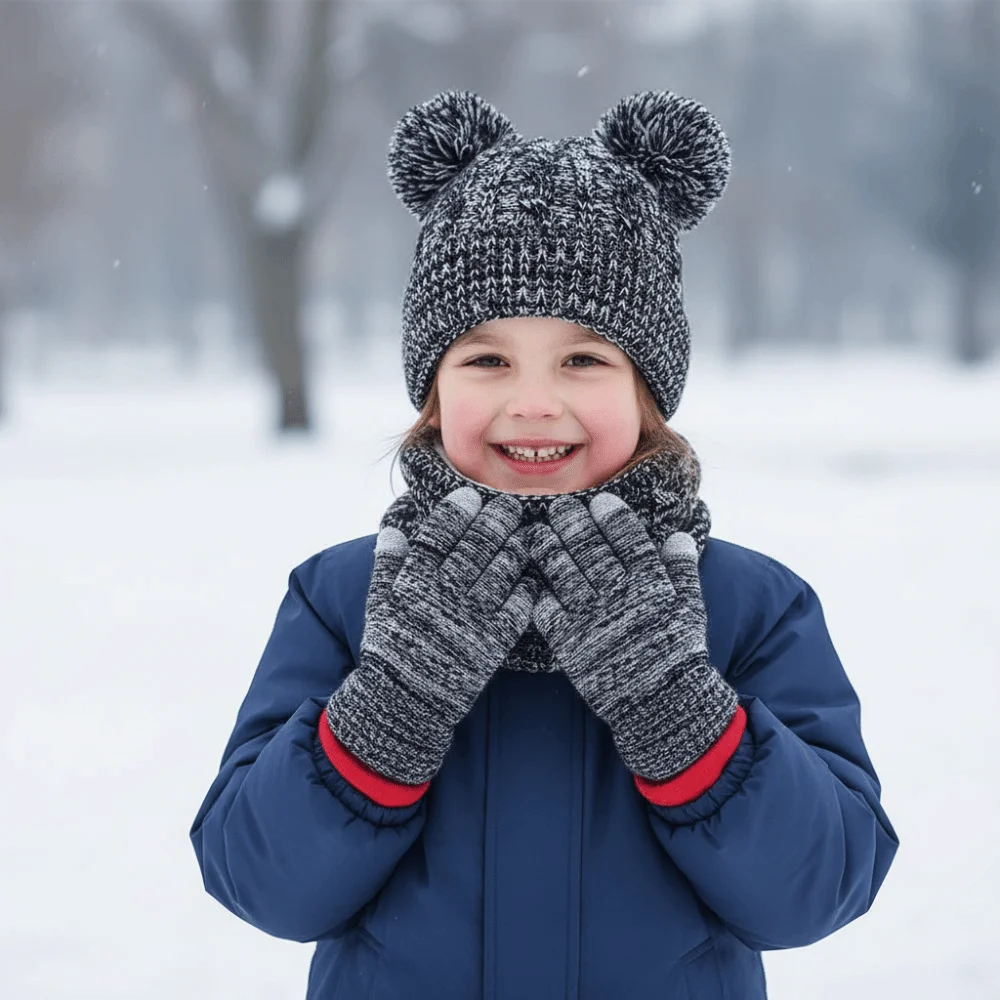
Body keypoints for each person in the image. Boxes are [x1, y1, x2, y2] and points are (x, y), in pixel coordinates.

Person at [191, 90, 898, 1000]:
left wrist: (674, 705)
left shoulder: (747, 605)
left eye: (584, 359)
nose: (533, 402)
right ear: (433, 392)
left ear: (649, 391)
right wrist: (392, 703)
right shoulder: (344, 597)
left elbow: (818, 888)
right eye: (486, 360)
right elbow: (262, 882)